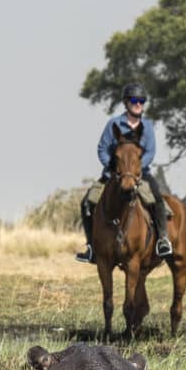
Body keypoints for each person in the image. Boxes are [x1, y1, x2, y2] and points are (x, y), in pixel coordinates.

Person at [75, 83, 173, 264]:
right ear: (126, 102)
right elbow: (102, 148)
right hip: (113, 174)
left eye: (142, 101)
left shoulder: (148, 126)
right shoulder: (113, 124)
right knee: (87, 203)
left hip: (140, 174)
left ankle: (162, 240)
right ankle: (91, 247)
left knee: (158, 200)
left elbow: (150, 151)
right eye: (135, 100)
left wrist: (135, 169)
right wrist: (112, 167)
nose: (138, 104)